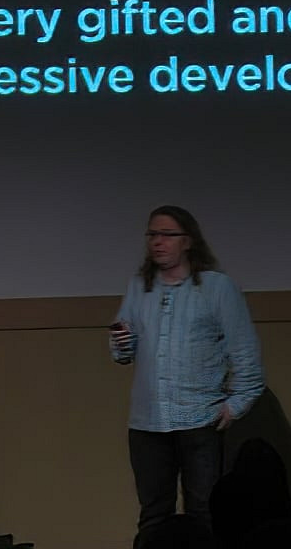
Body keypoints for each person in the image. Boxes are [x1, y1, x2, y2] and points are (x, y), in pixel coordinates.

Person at [110, 204, 265, 534]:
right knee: (153, 516)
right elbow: (122, 353)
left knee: (205, 514)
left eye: (167, 234)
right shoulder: (140, 286)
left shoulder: (217, 287)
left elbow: (245, 353)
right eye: (152, 234)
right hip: (147, 424)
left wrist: (235, 406)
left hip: (199, 419)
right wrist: (121, 340)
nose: (158, 241)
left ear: (188, 241)